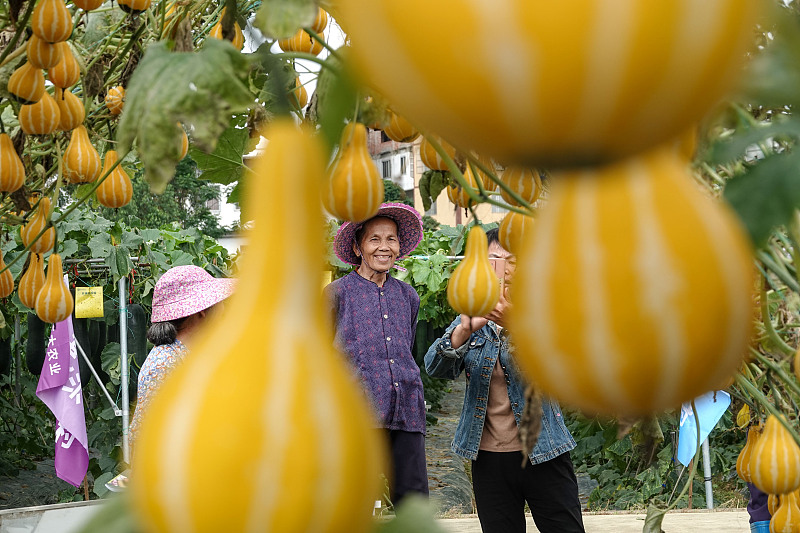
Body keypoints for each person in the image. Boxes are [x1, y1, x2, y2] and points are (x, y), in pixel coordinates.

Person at [424, 228, 585, 533]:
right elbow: (435, 367)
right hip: (488, 458)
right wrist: (463, 330)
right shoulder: (471, 314)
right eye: (495, 260)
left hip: (544, 452)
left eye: (514, 260)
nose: (507, 269)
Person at [324, 203, 428, 507]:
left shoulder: (408, 296)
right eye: (374, 239)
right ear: (358, 247)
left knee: (413, 504)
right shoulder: (336, 294)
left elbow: (405, 349)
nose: (384, 247)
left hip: (406, 410)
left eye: (391, 239)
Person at [127, 265, 235, 454]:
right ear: (201, 309)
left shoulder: (191, 355)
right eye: (219, 302)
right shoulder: (164, 363)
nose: (224, 309)